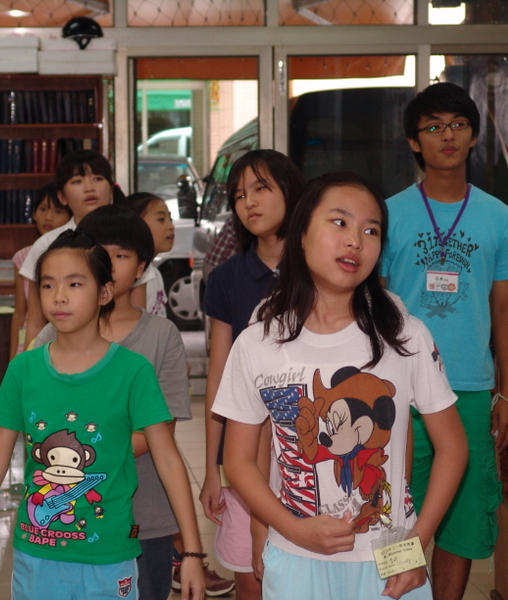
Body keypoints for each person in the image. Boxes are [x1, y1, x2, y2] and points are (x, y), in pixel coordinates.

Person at [213, 172, 468, 600]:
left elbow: (453, 447)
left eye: (371, 230)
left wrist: (416, 545)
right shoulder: (259, 341)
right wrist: (290, 528)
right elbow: (238, 462)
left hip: (388, 557)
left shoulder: (405, 336)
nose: (355, 241)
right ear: (301, 234)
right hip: (295, 553)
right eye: (339, 222)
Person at [0, 230, 206, 600]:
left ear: (104, 292)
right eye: (47, 285)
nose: (59, 296)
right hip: (36, 557)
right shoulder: (23, 370)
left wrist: (192, 553)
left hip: (110, 557)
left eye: (74, 284)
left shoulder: (133, 371)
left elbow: (168, 460)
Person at [380, 82, 508, 600]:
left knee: (464, 516)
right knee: (399, 510)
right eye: (433, 127)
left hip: (468, 388)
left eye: (458, 125)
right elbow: (374, 304)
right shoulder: (388, 214)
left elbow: (505, 309)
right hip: (399, 391)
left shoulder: (498, 217)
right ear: (414, 141)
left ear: (473, 136)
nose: (447, 136)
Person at [31, 205, 196, 599]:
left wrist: (86, 455)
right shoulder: (51, 336)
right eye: (100, 253)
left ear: (142, 267)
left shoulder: (161, 336)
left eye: (120, 256)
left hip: (145, 516)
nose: (108, 264)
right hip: (72, 519)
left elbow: (161, 431)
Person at [200, 149, 305, 600]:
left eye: (261, 188)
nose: (249, 202)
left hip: (308, 444)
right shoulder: (227, 278)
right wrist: (212, 467)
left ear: (291, 192)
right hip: (244, 450)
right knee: (250, 575)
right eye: (240, 195)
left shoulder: (318, 269)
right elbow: (218, 375)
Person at [18, 150, 125, 348]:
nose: (89, 187)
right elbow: (35, 321)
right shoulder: (46, 245)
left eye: (97, 178)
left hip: (120, 350)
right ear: (62, 197)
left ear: (111, 190)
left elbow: (138, 311)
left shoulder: (127, 239)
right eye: (77, 181)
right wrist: (27, 364)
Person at [10, 183, 72, 358]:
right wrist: (12, 360)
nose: (48, 217)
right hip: (29, 339)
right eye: (43, 209)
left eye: (57, 211)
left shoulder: (75, 256)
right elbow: (20, 313)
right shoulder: (22, 257)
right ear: (33, 214)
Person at [123, 192, 175, 317]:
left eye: (170, 219)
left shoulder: (155, 273)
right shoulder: (132, 277)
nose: (171, 226)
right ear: (135, 224)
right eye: (161, 220)